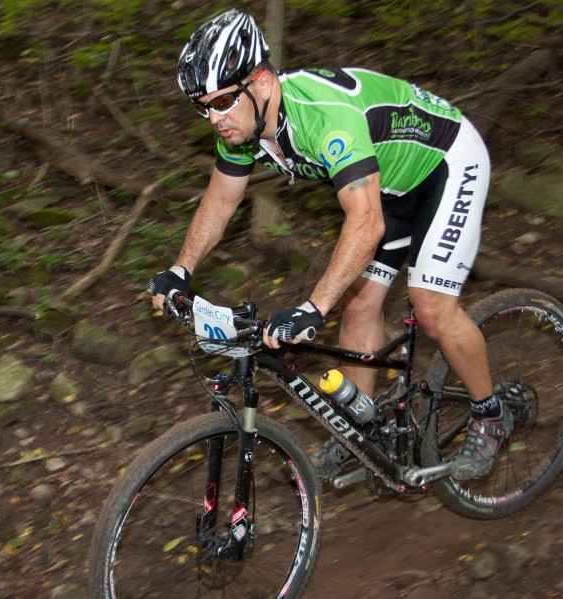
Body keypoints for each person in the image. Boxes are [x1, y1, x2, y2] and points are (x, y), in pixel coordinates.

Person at [147, 9, 511, 481]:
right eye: (203, 107)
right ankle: (360, 432)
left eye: (221, 101)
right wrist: (180, 270)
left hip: (447, 162)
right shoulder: (244, 127)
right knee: (359, 306)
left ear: (261, 82)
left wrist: (312, 308)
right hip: (388, 184)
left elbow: (366, 222)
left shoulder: (323, 117)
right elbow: (220, 201)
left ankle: (490, 413)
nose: (214, 118)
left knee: (431, 308)